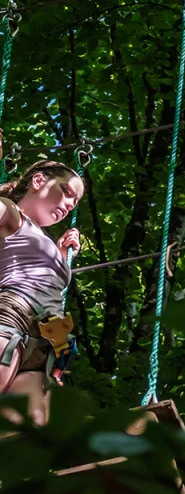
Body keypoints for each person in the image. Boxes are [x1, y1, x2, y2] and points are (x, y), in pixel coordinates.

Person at [0, 160, 83, 426]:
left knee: (24, 431)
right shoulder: (10, 212)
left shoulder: (42, 240)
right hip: (13, 317)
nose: (69, 205)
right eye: (66, 192)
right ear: (38, 181)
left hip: (46, 346)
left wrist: (59, 253)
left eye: (74, 203)